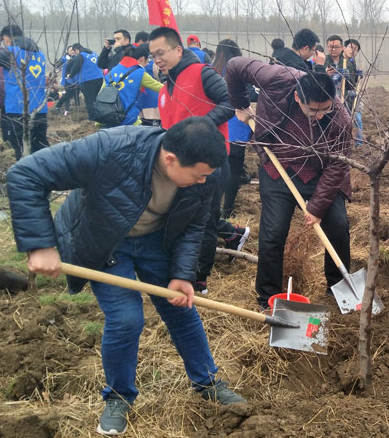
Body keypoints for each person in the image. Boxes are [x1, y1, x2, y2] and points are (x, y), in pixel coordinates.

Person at [7, 117, 247, 435]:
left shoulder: (207, 175)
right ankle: (119, 397)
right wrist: (41, 245)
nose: (204, 182)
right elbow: (26, 173)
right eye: (198, 175)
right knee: (126, 319)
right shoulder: (111, 148)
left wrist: (182, 274)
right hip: (106, 240)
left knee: (181, 307)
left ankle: (207, 382)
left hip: (156, 240)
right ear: (171, 159)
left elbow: (193, 224)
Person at [226, 57, 352, 311]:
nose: (319, 116)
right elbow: (234, 66)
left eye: (324, 109)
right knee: (272, 234)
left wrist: (316, 207)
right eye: (313, 110)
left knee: (338, 226)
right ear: (297, 98)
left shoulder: (340, 118)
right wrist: (240, 104)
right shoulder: (276, 79)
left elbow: (338, 165)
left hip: (319, 174)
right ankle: (267, 298)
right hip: (277, 168)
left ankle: (339, 290)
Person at [150, 26, 246, 294]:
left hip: (208, 164)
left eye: (161, 52)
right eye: (152, 55)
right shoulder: (167, 86)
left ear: (178, 50)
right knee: (185, 218)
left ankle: (198, 280)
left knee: (203, 222)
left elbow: (229, 103)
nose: (156, 59)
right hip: (179, 167)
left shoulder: (202, 73)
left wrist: (200, 127)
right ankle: (229, 237)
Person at [211, 39, 255, 221]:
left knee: (216, 168)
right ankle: (227, 210)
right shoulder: (240, 72)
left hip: (218, 128)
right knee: (234, 170)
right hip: (237, 127)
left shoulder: (211, 72)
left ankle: (214, 207)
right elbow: (252, 95)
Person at [0, 24, 49, 160]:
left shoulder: (11, 53)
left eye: (5, 41)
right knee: (41, 149)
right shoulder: (39, 53)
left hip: (18, 110)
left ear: (7, 38)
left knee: (23, 152)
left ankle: (28, 179)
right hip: (40, 110)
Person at [99, 44, 163, 126]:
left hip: (107, 118)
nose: (147, 64)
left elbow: (101, 92)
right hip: (129, 120)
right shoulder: (139, 73)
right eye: (147, 62)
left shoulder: (113, 71)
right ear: (142, 59)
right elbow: (160, 88)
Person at [67, 43, 104, 121]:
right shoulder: (94, 53)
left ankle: (91, 118)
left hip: (89, 79)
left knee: (89, 99)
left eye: (75, 52)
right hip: (100, 78)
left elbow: (76, 66)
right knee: (95, 98)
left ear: (77, 50)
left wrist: (70, 75)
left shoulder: (81, 55)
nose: (75, 54)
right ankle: (99, 115)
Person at [343, 38, 364, 146]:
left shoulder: (352, 62)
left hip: (352, 95)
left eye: (356, 49)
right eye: (351, 47)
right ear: (344, 48)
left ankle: (359, 143)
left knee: (357, 118)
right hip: (342, 96)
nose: (353, 51)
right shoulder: (340, 61)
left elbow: (353, 82)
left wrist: (358, 76)